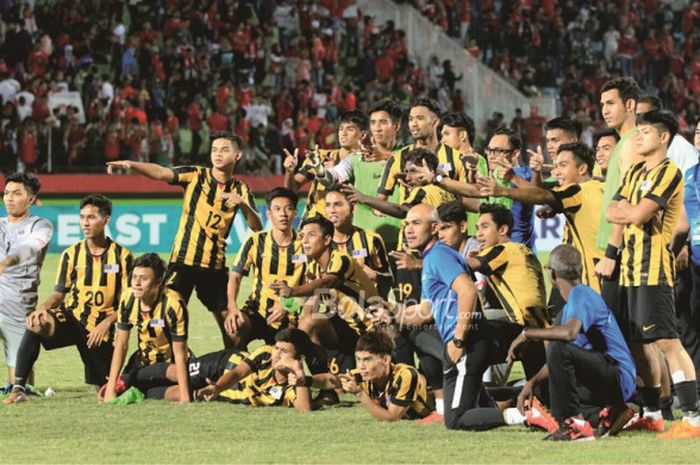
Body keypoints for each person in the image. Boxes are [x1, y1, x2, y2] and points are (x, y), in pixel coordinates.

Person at [380, 204, 545, 430]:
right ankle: (526, 395)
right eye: (407, 224)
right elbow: (425, 311)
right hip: (463, 341)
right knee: (463, 407)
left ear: (435, 227)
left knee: (457, 419)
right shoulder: (432, 259)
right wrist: (392, 310)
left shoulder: (438, 255)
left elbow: (468, 291)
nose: (409, 229)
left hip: (466, 342)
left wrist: (458, 339)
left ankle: (525, 414)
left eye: (416, 223)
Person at [107, 131, 262, 349]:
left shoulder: (242, 189)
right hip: (183, 263)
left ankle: (235, 370)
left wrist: (243, 204)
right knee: (164, 316)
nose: (217, 154)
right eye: (214, 149)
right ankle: (167, 368)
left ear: (237, 155)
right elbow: (162, 173)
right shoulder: (195, 175)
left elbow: (257, 227)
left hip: (214, 267)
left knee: (232, 328)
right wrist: (132, 164)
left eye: (224, 150)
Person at [605, 110, 700, 437]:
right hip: (630, 270)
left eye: (645, 132)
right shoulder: (632, 173)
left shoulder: (669, 172)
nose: (638, 137)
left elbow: (640, 213)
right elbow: (611, 212)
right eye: (638, 132)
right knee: (637, 342)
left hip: (654, 270)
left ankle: (691, 415)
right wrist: (632, 213)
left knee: (667, 341)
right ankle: (652, 413)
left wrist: (632, 212)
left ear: (663, 138)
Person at [4, 195, 132, 404]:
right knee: (36, 323)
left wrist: (107, 323)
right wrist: (43, 308)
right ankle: (19, 387)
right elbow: (59, 295)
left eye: (91, 217)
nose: (85, 223)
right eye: (82, 217)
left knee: (104, 390)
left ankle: (104, 378)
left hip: (98, 330)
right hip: (71, 318)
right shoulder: (71, 254)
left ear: (106, 220)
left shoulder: (123, 257)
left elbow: (129, 302)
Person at [507, 244, 637, 441]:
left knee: (558, 346)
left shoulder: (581, 295)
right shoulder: (571, 308)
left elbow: (568, 335)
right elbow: (559, 360)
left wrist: (527, 334)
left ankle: (573, 424)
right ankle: (609, 413)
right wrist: (531, 383)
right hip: (613, 379)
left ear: (552, 274)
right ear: (580, 270)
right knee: (555, 384)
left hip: (618, 376)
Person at [481, 142, 604, 316]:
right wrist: (513, 178)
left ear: (582, 168)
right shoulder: (598, 187)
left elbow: (542, 195)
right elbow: (542, 193)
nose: (557, 172)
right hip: (596, 273)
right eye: (555, 166)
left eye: (563, 165)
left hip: (593, 278)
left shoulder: (579, 191)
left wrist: (504, 191)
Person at [270, 215, 377, 376]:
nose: (304, 240)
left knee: (310, 321)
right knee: (307, 322)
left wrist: (292, 291)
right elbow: (310, 305)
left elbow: (327, 283)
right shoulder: (312, 266)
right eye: (302, 236)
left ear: (327, 239)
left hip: (369, 330)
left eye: (311, 235)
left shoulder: (341, 258)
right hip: (345, 328)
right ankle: (324, 383)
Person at [128, 328, 314, 410]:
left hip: (226, 392)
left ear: (299, 358)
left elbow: (304, 408)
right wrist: (218, 386)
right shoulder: (265, 353)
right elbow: (237, 373)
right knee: (181, 373)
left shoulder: (291, 389)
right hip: (223, 364)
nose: (277, 354)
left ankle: (140, 391)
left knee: (181, 393)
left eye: (284, 351)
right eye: (277, 348)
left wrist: (299, 375)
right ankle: (128, 379)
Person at [314, 99, 404, 250]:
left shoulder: (408, 154)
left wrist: (385, 156)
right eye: (373, 123)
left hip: (399, 239)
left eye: (382, 122)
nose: (377, 128)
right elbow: (333, 177)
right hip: (363, 240)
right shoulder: (356, 158)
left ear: (396, 126)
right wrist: (320, 171)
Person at [224, 188, 306, 349]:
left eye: (288, 208)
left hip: (288, 315)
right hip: (257, 310)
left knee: (282, 358)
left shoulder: (305, 244)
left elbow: (312, 286)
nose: (283, 214)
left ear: (295, 213)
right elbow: (235, 277)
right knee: (234, 327)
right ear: (269, 214)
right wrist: (232, 307)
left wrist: (289, 305)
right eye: (277, 209)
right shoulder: (255, 241)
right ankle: (239, 368)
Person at [103, 253, 190, 403]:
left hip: (171, 364)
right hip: (142, 363)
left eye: (143, 279)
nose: (136, 283)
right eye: (134, 277)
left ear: (158, 283)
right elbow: (121, 344)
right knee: (104, 392)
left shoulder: (173, 304)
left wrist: (185, 398)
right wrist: (110, 388)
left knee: (182, 389)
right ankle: (145, 389)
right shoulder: (128, 298)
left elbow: (180, 353)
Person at [0, 173, 53, 388]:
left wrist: (7, 262)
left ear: (30, 199)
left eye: (16, 193)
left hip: (17, 304)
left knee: (20, 382)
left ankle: (23, 387)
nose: (9, 198)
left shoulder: (40, 226)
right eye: (6, 193)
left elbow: (29, 248)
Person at [316, 331, 434, 421]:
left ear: (386, 360)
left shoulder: (406, 375)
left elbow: (392, 417)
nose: (361, 366)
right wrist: (306, 381)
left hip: (432, 414)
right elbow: (333, 380)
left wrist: (360, 393)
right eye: (358, 359)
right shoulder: (365, 373)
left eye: (367, 360)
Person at [595, 78, 641, 303]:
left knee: (613, 332)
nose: (604, 110)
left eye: (611, 103)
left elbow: (627, 199)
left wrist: (612, 253)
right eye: (602, 104)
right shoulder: (624, 142)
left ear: (630, 105)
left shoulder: (632, 143)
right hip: (619, 249)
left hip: (623, 252)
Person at [284, 110, 367, 220]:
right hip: (312, 227)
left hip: (345, 229)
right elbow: (291, 190)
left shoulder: (367, 164)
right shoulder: (319, 157)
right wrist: (289, 171)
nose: (343, 133)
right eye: (341, 129)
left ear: (363, 134)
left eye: (350, 129)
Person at [323, 186, 392, 298]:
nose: (331, 210)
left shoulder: (371, 239)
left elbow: (388, 280)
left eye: (337, 204)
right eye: (327, 205)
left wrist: (374, 275)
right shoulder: (320, 242)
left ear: (352, 207)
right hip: (332, 309)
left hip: (367, 308)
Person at [529, 117, 582, 187]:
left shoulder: (593, 170)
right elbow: (537, 193)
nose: (549, 146)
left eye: (555, 140)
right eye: (548, 141)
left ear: (573, 141)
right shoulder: (555, 175)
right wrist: (536, 172)